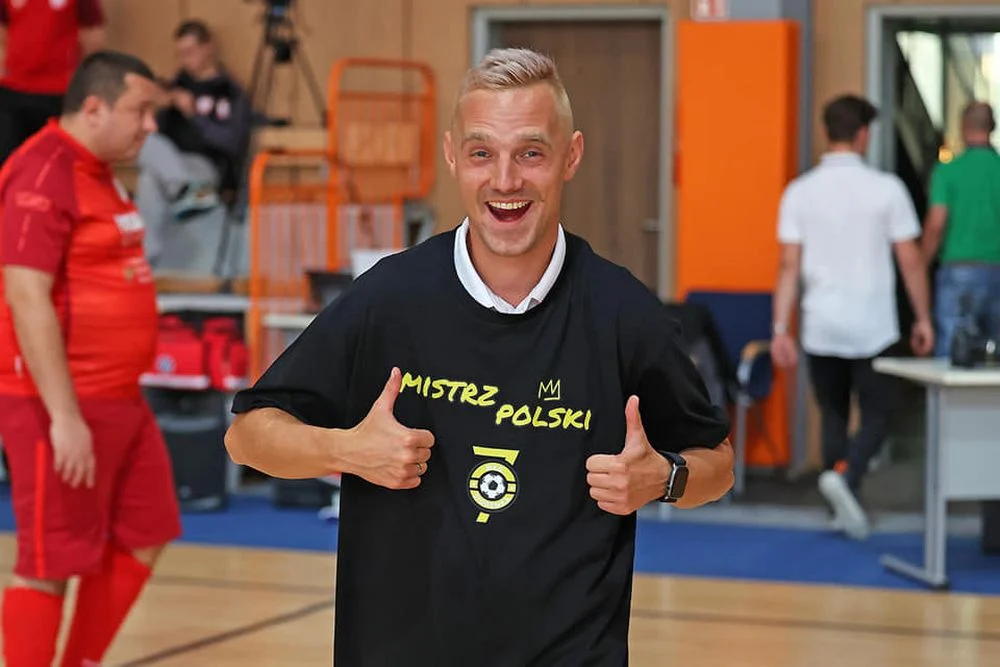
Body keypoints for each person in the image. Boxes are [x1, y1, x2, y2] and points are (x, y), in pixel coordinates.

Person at [225, 47, 734, 665]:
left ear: (571, 156)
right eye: (481, 153)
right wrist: (344, 451)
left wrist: (665, 477)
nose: (505, 181)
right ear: (452, 157)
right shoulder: (389, 299)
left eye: (531, 153)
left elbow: (717, 462)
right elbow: (246, 436)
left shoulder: (625, 314)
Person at [0, 51, 181, 666]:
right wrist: (64, 416)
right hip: (59, 402)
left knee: (147, 532)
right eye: (140, 110)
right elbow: (26, 295)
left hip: (121, 397)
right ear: (95, 107)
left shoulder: (100, 172)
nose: (150, 125)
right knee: (49, 563)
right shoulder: (43, 170)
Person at [770, 94, 933, 541]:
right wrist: (923, 318)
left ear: (827, 132)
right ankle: (848, 477)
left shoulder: (799, 192)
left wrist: (780, 328)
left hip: (820, 324)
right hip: (873, 325)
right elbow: (910, 261)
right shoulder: (887, 189)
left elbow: (788, 266)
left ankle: (838, 501)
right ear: (863, 135)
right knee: (880, 412)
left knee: (833, 414)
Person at [137, 19, 253, 267]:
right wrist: (160, 107)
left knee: (149, 179)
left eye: (190, 52)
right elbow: (155, 138)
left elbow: (232, 142)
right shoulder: (176, 85)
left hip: (205, 164)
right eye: (180, 54)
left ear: (207, 48)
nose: (184, 60)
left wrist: (194, 115)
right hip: (172, 166)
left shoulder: (229, 91)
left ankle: (147, 260)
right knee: (147, 148)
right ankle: (184, 191)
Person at [920, 100, 1000, 356]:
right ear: (992, 127)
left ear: (963, 127)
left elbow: (936, 224)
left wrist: (921, 264)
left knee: (952, 354)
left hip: (959, 272)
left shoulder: (948, 172)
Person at [0, 0, 106, 166]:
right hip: (13, 90)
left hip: (58, 93)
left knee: (55, 161)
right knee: (7, 161)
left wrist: (88, 80)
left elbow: (92, 36)